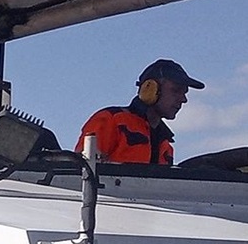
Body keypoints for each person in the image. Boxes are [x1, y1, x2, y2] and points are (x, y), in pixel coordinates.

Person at [77, 59, 205, 166]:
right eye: (176, 91)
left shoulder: (165, 145)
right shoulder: (111, 121)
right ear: (150, 88)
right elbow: (79, 173)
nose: (183, 99)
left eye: (184, 93)